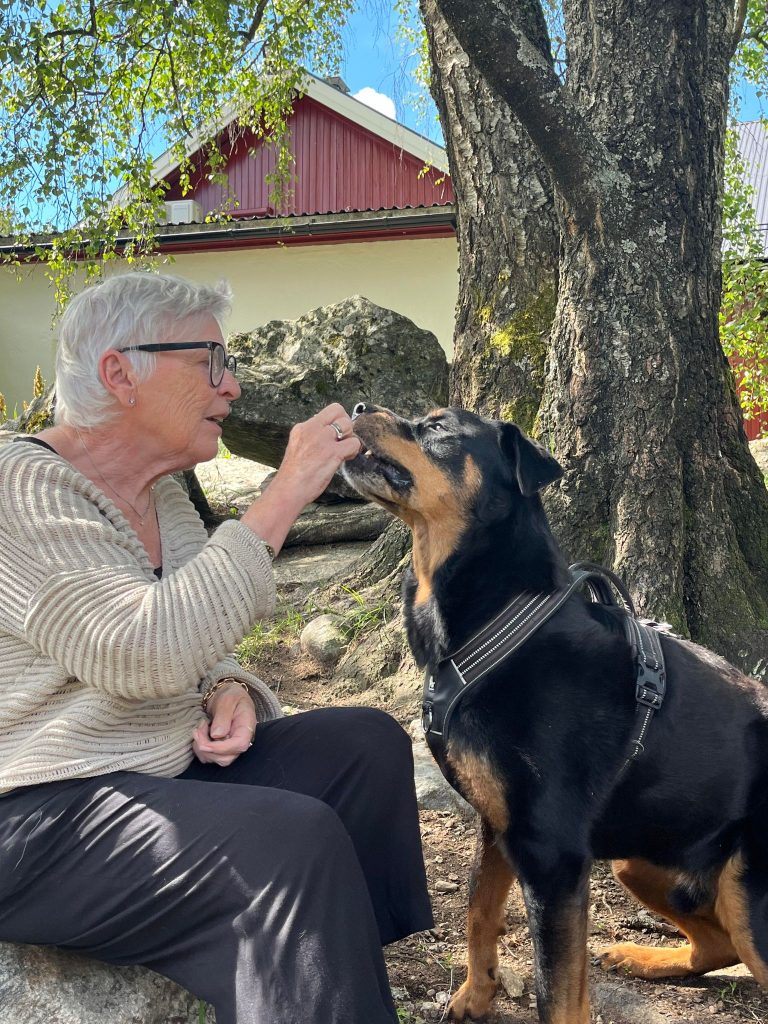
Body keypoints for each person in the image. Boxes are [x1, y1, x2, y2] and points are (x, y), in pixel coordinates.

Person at [0, 272, 433, 1024]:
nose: (231, 387)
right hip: (37, 812)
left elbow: (198, 644)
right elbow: (139, 650)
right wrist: (284, 494)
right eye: (210, 361)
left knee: (367, 746)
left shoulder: (165, 494)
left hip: (156, 773)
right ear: (118, 373)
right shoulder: (23, 488)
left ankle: (326, 984)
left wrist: (228, 689)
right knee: (292, 843)